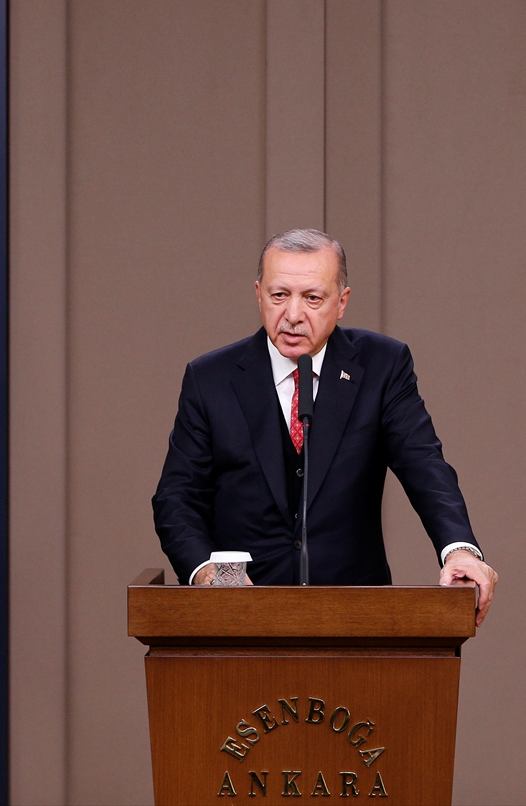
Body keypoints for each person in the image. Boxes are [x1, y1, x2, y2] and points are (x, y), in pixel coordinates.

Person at [152, 229, 498, 624]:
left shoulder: (382, 366)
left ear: (342, 302)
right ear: (258, 294)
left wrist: (459, 549)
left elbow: (425, 466)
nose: (293, 314)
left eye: (312, 298)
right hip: (240, 617)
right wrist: (205, 572)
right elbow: (176, 498)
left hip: (354, 616)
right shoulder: (210, 378)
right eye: (279, 295)